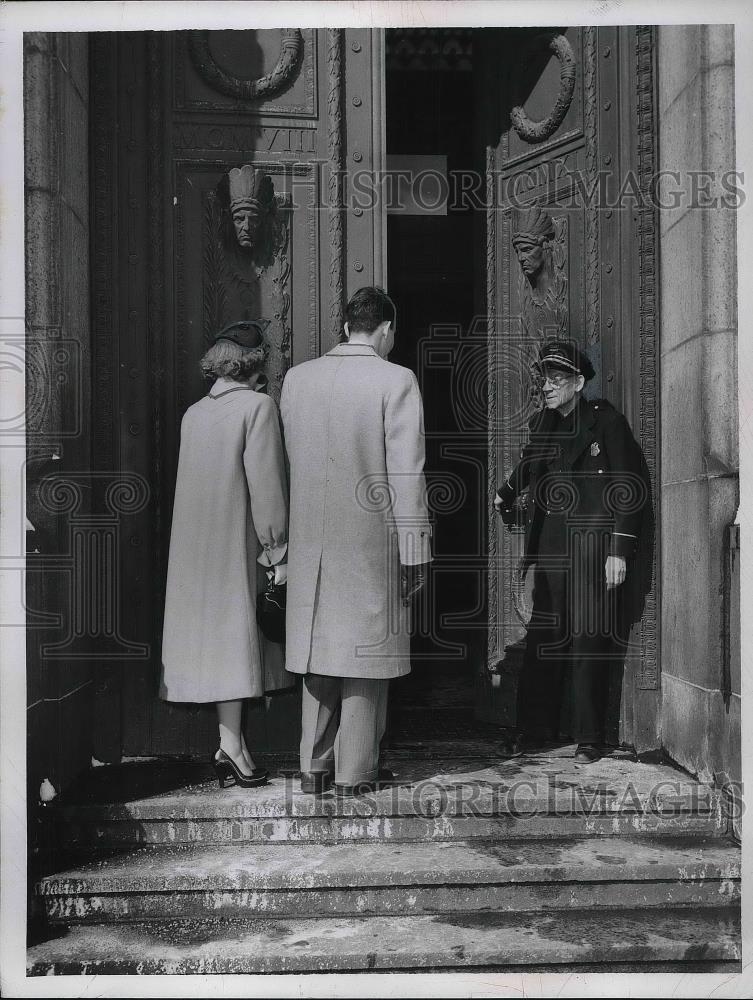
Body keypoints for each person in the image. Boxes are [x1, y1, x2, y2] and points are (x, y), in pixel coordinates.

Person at [280, 287, 432, 796]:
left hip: (309, 543)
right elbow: (406, 474)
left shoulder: (297, 380)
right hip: (370, 541)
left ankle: (313, 766)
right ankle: (354, 771)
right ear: (386, 329)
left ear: (347, 326)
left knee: (319, 650)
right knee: (366, 653)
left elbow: (286, 466)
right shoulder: (397, 380)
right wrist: (415, 552)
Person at [494, 339, 645, 763]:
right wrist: (504, 493)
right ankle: (536, 729)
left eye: (557, 378)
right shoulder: (543, 424)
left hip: (594, 549)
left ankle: (590, 738)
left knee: (588, 641)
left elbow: (630, 489)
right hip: (553, 548)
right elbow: (529, 465)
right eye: (545, 377)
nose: (547, 385)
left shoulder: (606, 423)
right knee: (545, 639)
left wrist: (620, 549)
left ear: (578, 383)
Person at [160, 320, 290, 788]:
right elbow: (267, 488)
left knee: (219, 644)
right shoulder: (257, 408)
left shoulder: (194, 413)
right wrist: (277, 551)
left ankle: (230, 743)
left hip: (197, 549)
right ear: (255, 365)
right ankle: (230, 746)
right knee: (235, 641)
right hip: (236, 541)